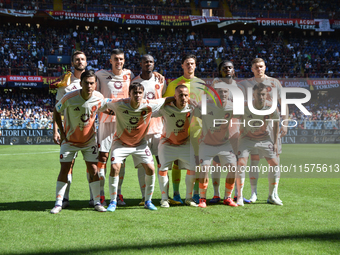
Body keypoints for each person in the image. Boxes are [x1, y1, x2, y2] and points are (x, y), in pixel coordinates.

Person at [105, 83, 175, 212]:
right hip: (121, 142)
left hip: (140, 144)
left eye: (139, 93)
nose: (137, 95)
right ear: (129, 94)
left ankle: (147, 201)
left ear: (142, 94)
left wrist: (181, 97)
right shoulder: (119, 103)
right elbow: (102, 102)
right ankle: (113, 201)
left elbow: (166, 99)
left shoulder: (149, 104)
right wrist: (104, 110)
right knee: (115, 167)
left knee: (151, 168)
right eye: (135, 92)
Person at [50, 70, 109, 214]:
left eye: (92, 83)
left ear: (95, 84)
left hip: (89, 141)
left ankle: (96, 202)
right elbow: (56, 111)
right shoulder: (69, 97)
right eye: (86, 83)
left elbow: (104, 108)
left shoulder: (99, 97)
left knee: (94, 170)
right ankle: (58, 203)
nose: (89, 86)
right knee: (64, 169)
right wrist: (61, 133)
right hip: (70, 141)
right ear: (81, 83)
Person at [238, 58, 287, 203]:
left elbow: (283, 103)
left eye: (261, 66)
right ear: (252, 69)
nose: (259, 69)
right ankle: (254, 193)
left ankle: (274, 194)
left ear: (265, 67)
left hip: (272, 126)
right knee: (254, 161)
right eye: (256, 67)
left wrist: (285, 123)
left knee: (275, 160)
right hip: (252, 127)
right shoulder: (245, 84)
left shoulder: (275, 82)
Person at [52, 50, 93, 208]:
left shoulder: (92, 80)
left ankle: (93, 199)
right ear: (72, 63)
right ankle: (65, 199)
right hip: (69, 133)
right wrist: (56, 130)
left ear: (86, 62)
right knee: (68, 166)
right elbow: (57, 109)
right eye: (77, 59)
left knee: (92, 166)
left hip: (88, 133)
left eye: (83, 59)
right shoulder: (66, 83)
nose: (80, 61)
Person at [162, 54, 204, 204]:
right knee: (176, 162)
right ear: (182, 66)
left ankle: (196, 193)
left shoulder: (201, 84)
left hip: (197, 128)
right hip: (178, 129)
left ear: (196, 65)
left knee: (197, 162)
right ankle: (176, 193)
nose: (190, 66)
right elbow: (166, 104)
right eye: (187, 63)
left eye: (192, 63)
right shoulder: (174, 84)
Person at [95, 49, 135, 207]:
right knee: (103, 158)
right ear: (110, 61)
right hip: (105, 122)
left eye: (121, 59)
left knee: (121, 160)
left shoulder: (129, 75)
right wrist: (104, 108)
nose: (118, 62)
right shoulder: (100, 75)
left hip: (122, 123)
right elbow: (95, 96)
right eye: (115, 59)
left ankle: (118, 193)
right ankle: (101, 194)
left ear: (124, 61)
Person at [235, 82, 282, 206]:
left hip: (264, 138)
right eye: (258, 94)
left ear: (266, 95)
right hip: (246, 138)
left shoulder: (271, 107)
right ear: (253, 95)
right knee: (241, 163)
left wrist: (275, 142)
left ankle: (271, 196)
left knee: (274, 163)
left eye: (263, 94)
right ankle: (239, 196)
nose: (260, 97)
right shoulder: (244, 106)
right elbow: (234, 119)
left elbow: (277, 122)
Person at [153, 85, 198, 208]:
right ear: (175, 96)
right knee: (163, 169)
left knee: (193, 168)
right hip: (167, 143)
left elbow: (207, 112)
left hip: (185, 142)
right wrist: (164, 100)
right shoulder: (165, 108)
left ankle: (189, 198)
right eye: (180, 95)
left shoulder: (192, 108)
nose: (183, 98)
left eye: (185, 95)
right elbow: (150, 111)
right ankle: (164, 199)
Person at [194, 86, 238, 208]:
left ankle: (227, 197)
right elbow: (195, 113)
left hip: (224, 144)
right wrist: (196, 105)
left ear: (228, 93)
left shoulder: (233, 107)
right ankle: (202, 199)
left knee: (233, 168)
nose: (223, 94)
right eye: (220, 92)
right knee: (204, 169)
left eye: (225, 91)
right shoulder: (206, 104)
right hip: (206, 144)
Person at [131, 54, 166, 206]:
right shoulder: (134, 82)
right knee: (142, 165)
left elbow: (163, 100)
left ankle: (164, 197)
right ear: (141, 63)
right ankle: (144, 196)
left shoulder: (160, 80)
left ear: (154, 64)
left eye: (151, 61)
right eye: (145, 62)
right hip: (141, 130)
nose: (148, 64)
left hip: (158, 128)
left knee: (161, 164)